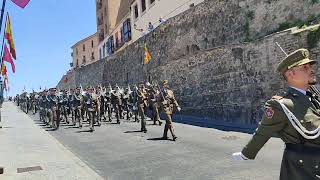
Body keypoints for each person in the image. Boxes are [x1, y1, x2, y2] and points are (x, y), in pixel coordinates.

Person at [232, 48, 320, 180]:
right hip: (303, 170)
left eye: (310, 67)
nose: (311, 70)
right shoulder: (281, 105)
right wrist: (246, 154)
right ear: (290, 74)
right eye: (305, 67)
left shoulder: (313, 98)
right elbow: (263, 132)